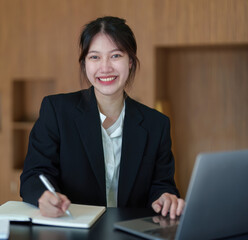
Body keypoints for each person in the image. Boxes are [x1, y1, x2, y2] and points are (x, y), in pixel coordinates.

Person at [20, 16, 185, 219]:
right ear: (84, 63)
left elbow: (162, 184)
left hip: (130, 231)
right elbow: (33, 175)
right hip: (72, 228)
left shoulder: (156, 124)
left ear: (131, 61)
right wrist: (42, 197)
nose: (105, 67)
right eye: (94, 57)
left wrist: (165, 197)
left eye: (115, 56)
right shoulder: (56, 111)